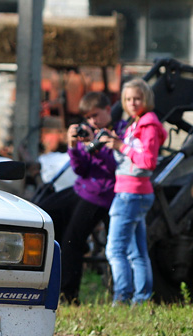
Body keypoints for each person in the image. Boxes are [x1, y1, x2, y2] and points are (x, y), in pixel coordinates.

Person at [37, 92, 124, 303]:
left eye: (95, 115)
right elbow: (80, 169)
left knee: (71, 242)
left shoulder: (118, 132)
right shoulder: (91, 132)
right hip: (82, 188)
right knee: (42, 213)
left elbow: (115, 166)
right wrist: (73, 146)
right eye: (88, 117)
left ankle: (68, 295)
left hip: (101, 195)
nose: (92, 121)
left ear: (108, 110)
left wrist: (96, 146)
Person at [101, 78, 167, 306]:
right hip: (134, 192)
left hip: (130, 194)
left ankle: (122, 297)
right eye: (128, 99)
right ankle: (141, 299)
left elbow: (148, 161)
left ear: (146, 98)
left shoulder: (148, 126)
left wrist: (121, 146)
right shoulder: (137, 123)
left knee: (115, 250)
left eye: (137, 98)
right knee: (136, 252)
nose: (132, 103)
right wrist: (115, 143)